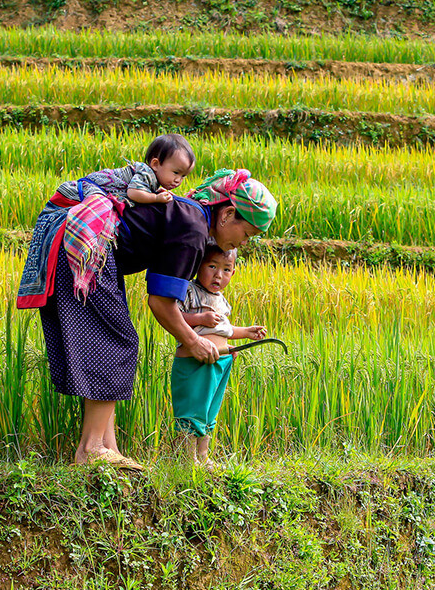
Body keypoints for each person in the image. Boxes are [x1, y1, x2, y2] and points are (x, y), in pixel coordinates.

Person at [16, 160, 277, 470]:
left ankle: (105, 447)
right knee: (117, 342)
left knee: (107, 342)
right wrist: (192, 341)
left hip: (77, 243)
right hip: (89, 247)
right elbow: (161, 303)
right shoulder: (193, 229)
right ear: (229, 214)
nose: (244, 243)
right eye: (247, 233)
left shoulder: (187, 217)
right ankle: (92, 448)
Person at [171, 244, 266, 469]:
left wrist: (247, 332)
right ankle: (186, 460)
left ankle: (202, 457)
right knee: (193, 410)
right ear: (198, 265)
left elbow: (227, 330)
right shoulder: (189, 291)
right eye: (212, 266)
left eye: (226, 269)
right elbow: (174, 316)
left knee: (209, 412)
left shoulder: (221, 300)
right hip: (195, 361)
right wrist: (200, 319)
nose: (218, 275)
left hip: (221, 361)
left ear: (233, 272)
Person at [53, 133, 194, 209]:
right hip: (96, 186)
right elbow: (133, 193)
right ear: (155, 164)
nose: (178, 180)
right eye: (176, 173)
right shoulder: (146, 174)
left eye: (183, 176)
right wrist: (155, 198)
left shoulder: (154, 179)